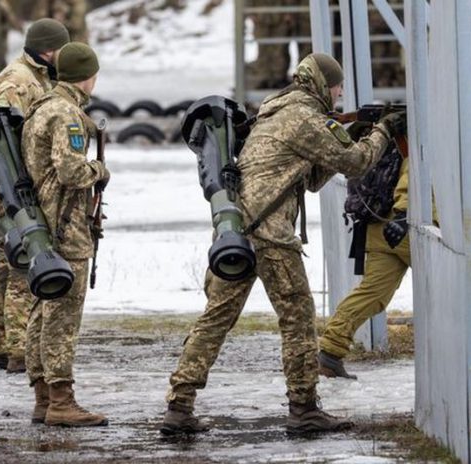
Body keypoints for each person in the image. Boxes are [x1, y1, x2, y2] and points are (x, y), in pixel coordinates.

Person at [162, 53, 396, 435]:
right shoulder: (304, 115)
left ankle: (179, 405)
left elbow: (312, 176)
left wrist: (346, 134)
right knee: (298, 318)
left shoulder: (278, 109)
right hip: (269, 234)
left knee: (216, 319)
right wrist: (382, 132)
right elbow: (355, 164)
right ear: (323, 83)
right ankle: (304, 409)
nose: (339, 94)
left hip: (237, 230)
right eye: (337, 86)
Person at [317, 141, 471, 378]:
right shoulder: (421, 136)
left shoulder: (386, 139)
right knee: (452, 290)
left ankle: (330, 352)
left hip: (378, 227)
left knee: (372, 294)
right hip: (408, 226)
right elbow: (412, 176)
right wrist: (404, 214)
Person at [0, 18, 71, 374]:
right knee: (23, 259)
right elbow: (0, 140)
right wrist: (7, 188)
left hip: (12, 184)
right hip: (6, 186)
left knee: (8, 260)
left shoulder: (41, 77)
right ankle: (17, 350)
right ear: (49, 49)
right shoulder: (16, 82)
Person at [21, 42, 110, 426]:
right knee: (62, 315)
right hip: (64, 226)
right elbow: (72, 172)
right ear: (86, 76)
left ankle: (44, 397)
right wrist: (99, 171)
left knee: (42, 311)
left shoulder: (42, 106)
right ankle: (61, 401)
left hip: (42, 225)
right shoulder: (67, 115)